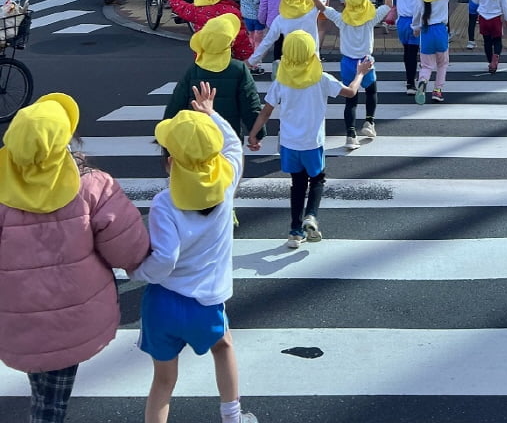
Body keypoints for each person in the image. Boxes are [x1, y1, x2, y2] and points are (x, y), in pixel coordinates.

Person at [0, 93, 150, 423]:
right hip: (70, 321)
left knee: (41, 389)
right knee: (51, 404)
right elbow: (130, 250)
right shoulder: (92, 186)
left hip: (15, 318)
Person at [130, 82, 257, 423]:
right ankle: (232, 417)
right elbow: (234, 145)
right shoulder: (227, 180)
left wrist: (138, 272)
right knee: (224, 346)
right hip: (207, 303)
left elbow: (164, 259)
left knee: (164, 380)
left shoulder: (164, 205)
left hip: (163, 303)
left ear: (170, 163)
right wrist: (211, 114)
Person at [246, 30, 373, 248]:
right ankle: (311, 216)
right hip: (312, 143)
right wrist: (360, 73)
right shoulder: (321, 79)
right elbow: (351, 93)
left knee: (297, 184)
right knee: (317, 179)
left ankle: (295, 231)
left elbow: (266, 111)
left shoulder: (281, 81)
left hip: (288, 144)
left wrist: (254, 133)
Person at [308, 0, 393, 150]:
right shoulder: (371, 18)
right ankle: (369, 122)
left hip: (347, 62)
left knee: (351, 100)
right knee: (371, 91)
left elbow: (322, 8)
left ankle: (350, 135)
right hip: (366, 62)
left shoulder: (341, 19)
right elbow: (388, 5)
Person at [164, 14, 266, 143]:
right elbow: (251, 105)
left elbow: (176, 103)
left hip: (199, 138)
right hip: (228, 137)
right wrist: (257, 134)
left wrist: (166, 130)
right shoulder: (239, 69)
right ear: (232, 42)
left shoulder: (194, 70)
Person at [163, 0, 253, 63]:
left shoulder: (198, 9)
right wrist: (246, 55)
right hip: (226, 55)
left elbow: (181, 7)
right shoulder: (233, 12)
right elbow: (240, 37)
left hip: (204, 55)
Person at [247, 0, 321, 70]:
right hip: (312, 60)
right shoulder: (313, 10)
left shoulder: (280, 19)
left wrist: (251, 61)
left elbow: (267, 42)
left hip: (291, 62)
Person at [411, 0, 454, 104]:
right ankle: (438, 91)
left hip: (426, 32)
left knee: (426, 65)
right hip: (441, 31)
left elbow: (417, 15)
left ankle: (423, 81)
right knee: (442, 63)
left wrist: (415, 27)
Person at [466, 0, 507, 74]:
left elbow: (475, 1)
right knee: (497, 40)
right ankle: (495, 59)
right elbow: (505, 6)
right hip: (496, 19)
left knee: (487, 41)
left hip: (483, 18)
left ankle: (490, 60)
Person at [258, 0, 297, 76]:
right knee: (289, 46)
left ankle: (277, 71)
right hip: (291, 19)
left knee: (277, 46)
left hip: (273, 20)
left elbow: (263, 3)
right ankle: (290, 72)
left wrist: (262, 19)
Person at [391, 0, 424, 94]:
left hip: (402, 22)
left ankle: (409, 79)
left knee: (407, 51)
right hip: (416, 22)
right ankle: (411, 83)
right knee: (414, 52)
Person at [238, 0, 267, 68]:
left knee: (250, 36)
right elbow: (257, 0)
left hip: (245, 14)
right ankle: (256, 61)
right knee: (258, 39)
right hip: (257, 15)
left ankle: (249, 57)